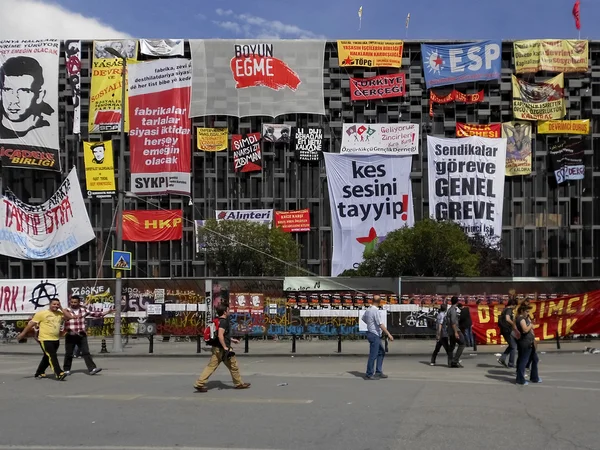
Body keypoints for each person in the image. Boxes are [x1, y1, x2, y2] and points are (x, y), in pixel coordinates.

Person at [193, 303, 251, 392]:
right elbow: (220, 335)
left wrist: (231, 339)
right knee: (233, 366)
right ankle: (238, 383)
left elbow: (221, 335)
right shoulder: (224, 322)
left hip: (216, 348)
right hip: (223, 349)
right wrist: (225, 347)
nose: (229, 311)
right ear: (224, 312)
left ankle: (199, 383)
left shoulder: (218, 320)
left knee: (210, 367)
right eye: (228, 310)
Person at [15, 299, 75, 381]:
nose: (56, 306)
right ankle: (59, 373)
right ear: (49, 304)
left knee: (47, 357)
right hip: (45, 339)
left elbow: (70, 317)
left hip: (55, 339)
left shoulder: (59, 314)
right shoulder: (41, 314)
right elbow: (30, 324)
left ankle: (39, 372)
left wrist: (61, 308)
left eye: (57, 304)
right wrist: (23, 334)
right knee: (52, 356)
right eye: (54, 304)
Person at [0, 56, 54, 139]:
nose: (14, 100)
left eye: (24, 91)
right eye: (7, 90)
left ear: (40, 95)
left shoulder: (49, 126)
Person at [63, 295, 113, 376]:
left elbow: (95, 314)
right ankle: (66, 370)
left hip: (81, 334)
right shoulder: (66, 311)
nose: (73, 303)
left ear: (79, 302)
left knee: (86, 352)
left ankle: (92, 369)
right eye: (71, 302)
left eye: (75, 302)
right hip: (70, 334)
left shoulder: (83, 310)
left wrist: (108, 312)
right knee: (69, 353)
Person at [361, 295, 394, 379]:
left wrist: (370, 324)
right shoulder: (375, 311)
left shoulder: (368, 309)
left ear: (372, 300)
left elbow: (363, 319)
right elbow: (380, 324)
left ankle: (378, 371)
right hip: (374, 334)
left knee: (381, 352)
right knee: (373, 354)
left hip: (371, 333)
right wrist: (388, 334)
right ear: (379, 302)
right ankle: (369, 373)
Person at [514, 304, 541, 385]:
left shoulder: (525, 318)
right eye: (526, 311)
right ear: (522, 311)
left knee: (535, 359)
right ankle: (520, 379)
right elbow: (525, 330)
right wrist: (530, 325)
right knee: (524, 360)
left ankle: (534, 377)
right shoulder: (521, 319)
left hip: (530, 341)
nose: (528, 313)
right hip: (525, 342)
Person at [498, 297, 517, 368]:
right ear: (513, 304)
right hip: (507, 330)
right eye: (515, 306)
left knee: (512, 345)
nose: (515, 308)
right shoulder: (509, 310)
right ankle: (511, 363)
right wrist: (513, 324)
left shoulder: (505, 309)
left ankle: (502, 358)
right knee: (513, 346)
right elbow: (507, 319)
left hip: (505, 330)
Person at [446, 296, 465, 368]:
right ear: (457, 302)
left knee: (452, 346)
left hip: (450, 331)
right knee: (462, 343)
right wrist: (456, 332)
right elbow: (453, 322)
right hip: (455, 330)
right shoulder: (453, 310)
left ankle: (450, 362)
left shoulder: (449, 309)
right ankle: (455, 361)